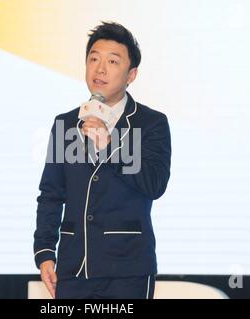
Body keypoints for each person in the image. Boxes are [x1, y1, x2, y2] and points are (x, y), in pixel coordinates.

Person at [33, 21, 171, 299]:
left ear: (131, 74)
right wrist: (45, 252)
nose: (100, 69)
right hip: (73, 269)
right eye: (93, 59)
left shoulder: (150, 124)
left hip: (128, 269)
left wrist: (109, 146)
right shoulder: (67, 124)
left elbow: (154, 185)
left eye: (112, 61)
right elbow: (51, 193)